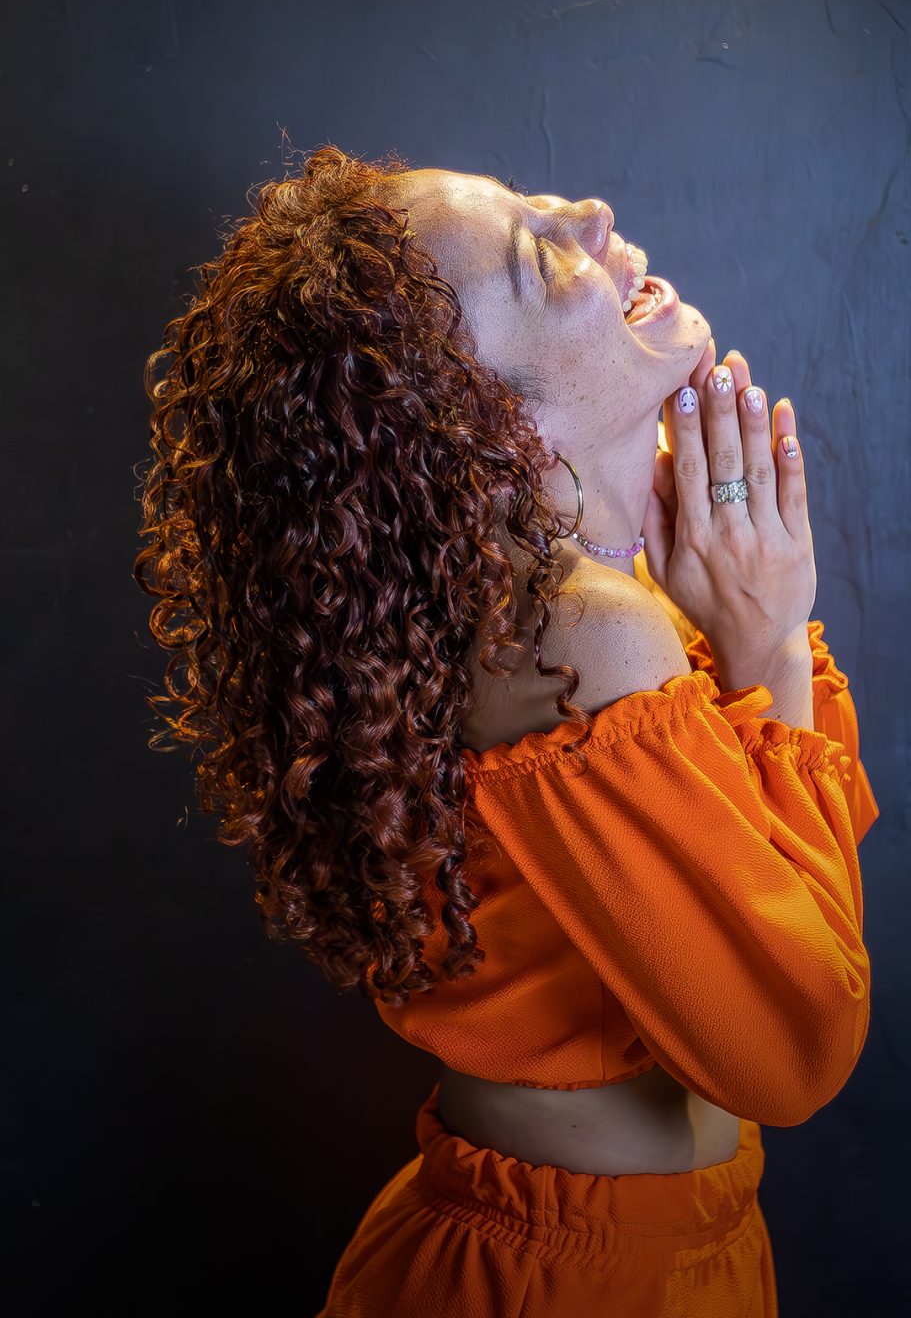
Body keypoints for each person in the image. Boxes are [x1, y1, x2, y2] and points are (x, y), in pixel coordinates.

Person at [134, 146, 878, 1317]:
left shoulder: (543, 601)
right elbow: (794, 1050)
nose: (592, 210)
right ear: (480, 418)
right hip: (576, 1280)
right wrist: (770, 647)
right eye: (541, 250)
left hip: (623, 1250)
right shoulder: (578, 629)